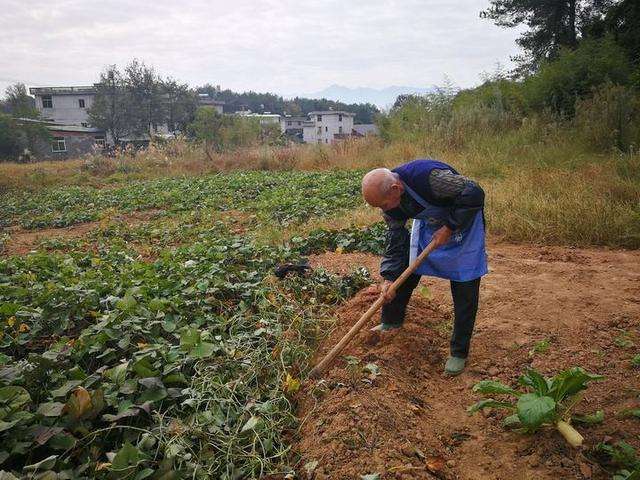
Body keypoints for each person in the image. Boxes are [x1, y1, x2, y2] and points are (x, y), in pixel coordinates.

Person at [361, 159, 488, 376]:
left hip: (462, 224)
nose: (384, 210)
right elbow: (396, 239)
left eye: (383, 205)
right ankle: (391, 321)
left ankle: (459, 352)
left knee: (464, 285)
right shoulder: (392, 203)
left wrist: (449, 227)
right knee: (404, 275)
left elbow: (474, 192)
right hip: (431, 224)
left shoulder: (431, 179)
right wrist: (389, 278)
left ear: (395, 188)